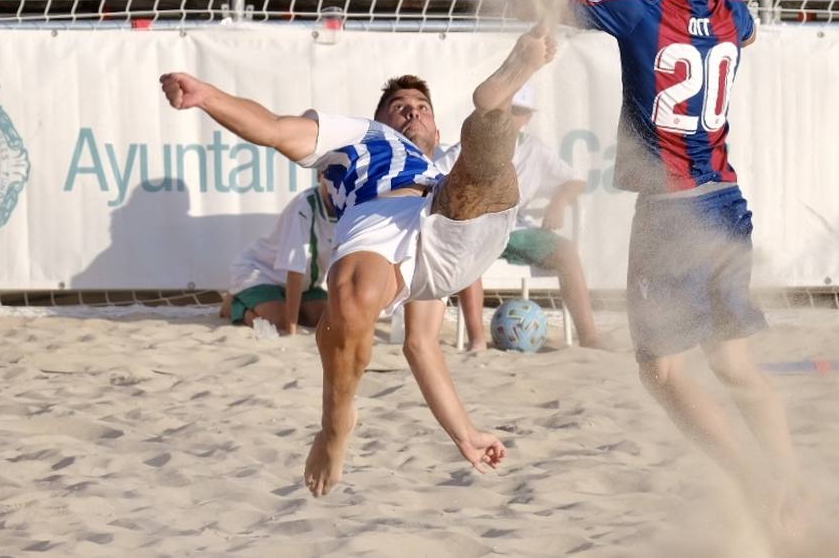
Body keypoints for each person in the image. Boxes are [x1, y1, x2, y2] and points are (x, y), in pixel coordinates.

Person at [159, 25, 554, 496]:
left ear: (435, 131)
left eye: (423, 107)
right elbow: (273, 128)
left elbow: (423, 344)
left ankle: (498, 100)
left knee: (482, 154)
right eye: (399, 107)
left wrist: (463, 431)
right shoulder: (361, 136)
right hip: (384, 219)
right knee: (351, 293)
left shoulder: (438, 163)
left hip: (451, 213)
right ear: (380, 119)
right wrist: (207, 96)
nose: (412, 112)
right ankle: (335, 425)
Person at [548, 0, 801, 536]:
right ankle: (790, 483)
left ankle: (754, 483)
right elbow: (744, 36)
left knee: (661, 371)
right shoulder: (733, 10)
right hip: (726, 203)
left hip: (672, 214)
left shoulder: (633, 9)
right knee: (733, 365)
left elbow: (550, 4)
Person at [453, 83, 605, 350]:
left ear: (528, 118)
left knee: (566, 252)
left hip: (517, 229)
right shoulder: (474, 143)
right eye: (508, 109)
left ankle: (589, 338)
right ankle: (477, 341)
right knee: (469, 251)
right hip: (478, 227)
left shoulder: (536, 149)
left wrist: (558, 203)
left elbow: (575, 181)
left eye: (519, 111)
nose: (512, 116)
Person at [220, 182, 336, 334]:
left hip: (307, 285)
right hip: (263, 272)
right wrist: (290, 329)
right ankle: (234, 305)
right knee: (279, 323)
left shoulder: (353, 204)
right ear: (321, 176)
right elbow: (294, 270)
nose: (336, 187)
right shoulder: (304, 205)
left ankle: (280, 305)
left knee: (326, 319)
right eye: (333, 177)